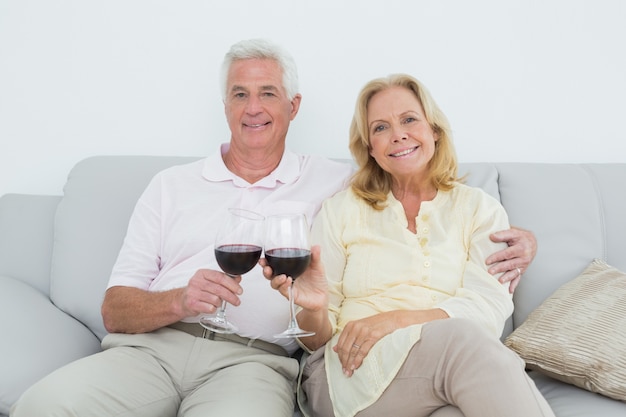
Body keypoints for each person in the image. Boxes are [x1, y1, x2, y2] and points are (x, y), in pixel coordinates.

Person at [11, 40, 535, 417]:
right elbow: (113, 308)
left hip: (253, 361)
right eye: (240, 94)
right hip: (154, 349)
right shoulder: (172, 185)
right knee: (44, 406)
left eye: (268, 93)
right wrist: (177, 300)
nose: (254, 107)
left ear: (294, 107)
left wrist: (526, 238)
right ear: (225, 107)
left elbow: (413, 185)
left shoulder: (334, 184)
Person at [262, 74, 554, 417]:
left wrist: (395, 320)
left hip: (445, 367)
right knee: (463, 342)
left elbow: (488, 306)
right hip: (351, 372)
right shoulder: (341, 210)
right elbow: (316, 340)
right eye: (380, 128)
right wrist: (312, 309)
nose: (398, 134)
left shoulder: (479, 208)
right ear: (370, 147)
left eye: (409, 120)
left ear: (435, 130)